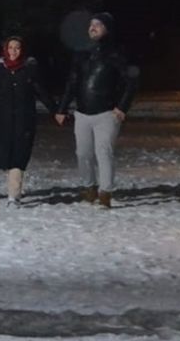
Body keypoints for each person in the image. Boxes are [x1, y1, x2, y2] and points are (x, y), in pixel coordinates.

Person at [55, 12, 139, 209]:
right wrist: (62, 108)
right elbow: (73, 82)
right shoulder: (81, 52)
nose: (92, 27)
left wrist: (122, 107)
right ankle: (89, 187)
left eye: (98, 25)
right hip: (82, 112)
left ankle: (105, 193)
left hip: (107, 113)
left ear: (107, 29)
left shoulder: (116, 53)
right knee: (82, 153)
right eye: (91, 24)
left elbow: (131, 82)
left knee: (104, 152)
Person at [0, 36, 59, 208]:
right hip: (1, 121)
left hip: (23, 120)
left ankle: (13, 195)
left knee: (18, 157)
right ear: (5, 50)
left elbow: (41, 92)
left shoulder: (30, 70)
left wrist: (57, 110)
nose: (13, 51)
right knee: (5, 158)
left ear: (22, 50)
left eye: (17, 48)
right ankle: (14, 185)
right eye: (10, 47)